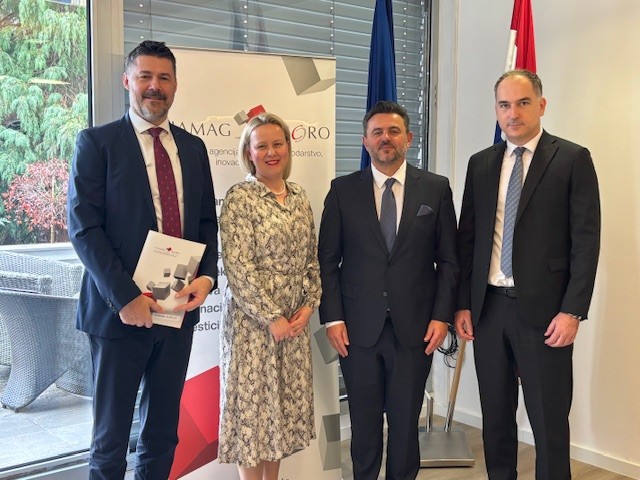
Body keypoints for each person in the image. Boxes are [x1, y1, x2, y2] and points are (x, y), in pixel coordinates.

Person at [67, 40, 218, 479]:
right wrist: (126, 297)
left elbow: (206, 223)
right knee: (111, 439)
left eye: (164, 78)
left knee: (163, 434)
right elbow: (84, 229)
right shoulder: (97, 143)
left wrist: (207, 278)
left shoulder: (193, 148)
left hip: (176, 312)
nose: (155, 86)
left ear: (175, 85)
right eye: (145, 76)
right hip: (118, 315)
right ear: (127, 81)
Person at [455, 69, 601, 480]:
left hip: (546, 314)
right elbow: (468, 239)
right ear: (496, 110)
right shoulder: (481, 163)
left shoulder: (571, 158)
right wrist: (463, 304)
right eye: (504, 105)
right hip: (488, 311)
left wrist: (572, 311)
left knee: (548, 422)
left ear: (541, 105)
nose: (513, 113)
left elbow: (586, 241)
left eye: (522, 103)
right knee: (495, 418)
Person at [318, 100, 459, 480]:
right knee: (364, 427)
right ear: (365, 141)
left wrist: (441, 316)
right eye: (377, 132)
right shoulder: (343, 190)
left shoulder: (436, 188)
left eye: (393, 131)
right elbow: (327, 260)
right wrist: (333, 319)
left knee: (405, 425)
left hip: (416, 329)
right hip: (357, 330)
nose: (385, 138)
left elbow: (449, 261)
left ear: (408, 138)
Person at [217, 112, 321, 480]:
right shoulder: (240, 198)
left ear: (288, 148)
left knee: (280, 418)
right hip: (253, 328)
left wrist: (309, 306)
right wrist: (271, 318)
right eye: (262, 146)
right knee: (253, 417)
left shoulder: (300, 197)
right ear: (249, 152)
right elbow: (238, 267)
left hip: (293, 324)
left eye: (278, 144)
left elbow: (311, 258)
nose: (271, 152)